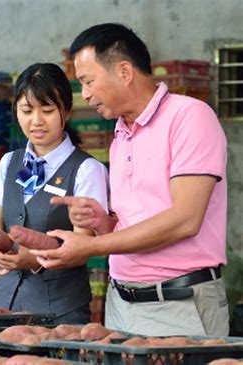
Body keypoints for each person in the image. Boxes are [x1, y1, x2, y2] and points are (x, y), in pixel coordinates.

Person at [29, 23, 229, 336]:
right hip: (121, 302)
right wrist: (102, 222)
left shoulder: (190, 117)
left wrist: (91, 247)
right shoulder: (121, 135)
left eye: (88, 81)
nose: (86, 94)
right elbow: (134, 226)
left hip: (179, 302)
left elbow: (185, 220)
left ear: (124, 71)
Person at [0, 63, 109, 324]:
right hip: (4, 308)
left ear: (67, 111)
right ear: (16, 111)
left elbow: (84, 246)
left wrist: (33, 260)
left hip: (60, 312)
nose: (36, 121)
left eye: (47, 111)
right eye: (27, 110)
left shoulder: (86, 170)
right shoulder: (10, 162)